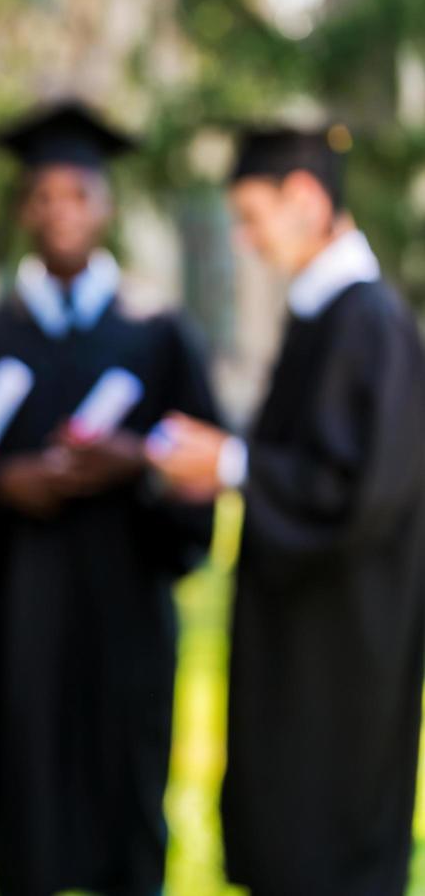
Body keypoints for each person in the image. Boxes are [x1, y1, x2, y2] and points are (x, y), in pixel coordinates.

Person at [0, 101, 220, 895]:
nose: (59, 211)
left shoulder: (158, 332)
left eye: (78, 194)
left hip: (127, 614)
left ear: (107, 205)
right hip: (21, 627)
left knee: (129, 804)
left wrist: (139, 461)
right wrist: (3, 486)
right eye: (42, 195)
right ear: (23, 207)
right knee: (25, 814)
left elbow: (202, 469)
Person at [148, 126, 425, 896]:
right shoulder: (326, 315)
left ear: (304, 199)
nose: (244, 239)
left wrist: (233, 464)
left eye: (250, 215)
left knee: (326, 846)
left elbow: (354, 491)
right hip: (304, 641)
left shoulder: (367, 322)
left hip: (344, 651)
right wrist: (225, 463)